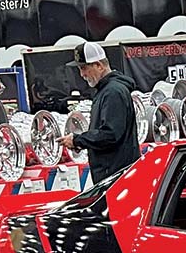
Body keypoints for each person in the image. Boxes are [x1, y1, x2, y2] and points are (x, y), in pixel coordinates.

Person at [57, 42, 141, 182]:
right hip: (114, 174)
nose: (82, 74)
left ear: (99, 66)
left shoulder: (112, 92)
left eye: (84, 68)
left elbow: (110, 134)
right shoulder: (106, 91)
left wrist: (78, 140)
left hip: (116, 176)